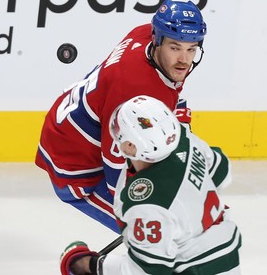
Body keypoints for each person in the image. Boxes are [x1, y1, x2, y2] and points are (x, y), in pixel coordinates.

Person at [35, 0, 207, 233]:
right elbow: (116, 171)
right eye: (175, 47)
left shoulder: (147, 37)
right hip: (77, 168)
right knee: (160, 237)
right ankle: (80, 265)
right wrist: (147, 215)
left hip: (74, 125)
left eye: (191, 49)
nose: (184, 60)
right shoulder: (132, 91)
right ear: (157, 40)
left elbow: (170, 96)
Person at [60, 95, 242, 275]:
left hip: (195, 268)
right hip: (225, 254)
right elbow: (221, 171)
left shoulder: (146, 203)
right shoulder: (183, 138)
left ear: (131, 146)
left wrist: (88, 264)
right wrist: (191, 207)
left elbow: (148, 271)